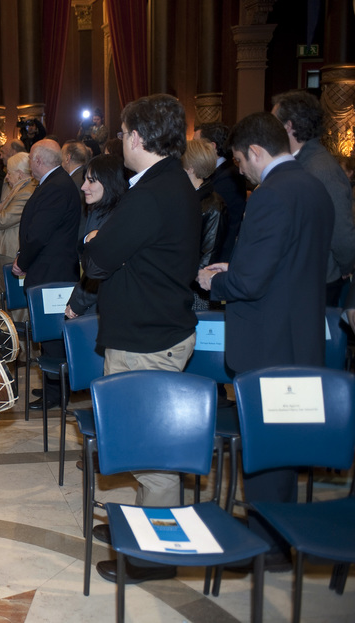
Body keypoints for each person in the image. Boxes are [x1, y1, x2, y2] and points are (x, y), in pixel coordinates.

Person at [197, 112, 333, 571]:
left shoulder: (271, 195)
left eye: (238, 161)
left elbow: (252, 282)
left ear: (255, 151)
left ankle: (265, 548)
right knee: (283, 446)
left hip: (269, 343)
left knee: (265, 449)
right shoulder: (313, 186)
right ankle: (277, 534)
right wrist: (235, 271)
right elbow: (290, 264)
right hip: (300, 334)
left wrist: (214, 282)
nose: (239, 171)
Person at [82, 94, 200, 585]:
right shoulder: (169, 182)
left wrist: (94, 244)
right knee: (141, 447)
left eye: (122, 132)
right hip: (155, 328)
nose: (119, 141)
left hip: (146, 339)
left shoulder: (152, 192)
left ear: (135, 136)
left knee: (153, 457)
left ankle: (155, 556)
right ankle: (139, 525)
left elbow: (97, 260)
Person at [12, 138, 81, 410]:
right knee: (50, 335)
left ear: (38, 160)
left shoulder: (56, 187)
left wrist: (22, 261)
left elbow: (39, 234)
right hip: (51, 272)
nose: (30, 164)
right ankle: (54, 387)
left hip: (53, 275)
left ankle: (58, 393)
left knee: (53, 336)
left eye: (30, 159)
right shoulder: (57, 183)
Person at [272, 89, 355, 306]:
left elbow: (342, 233)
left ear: (288, 126)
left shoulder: (320, 169)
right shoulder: (301, 161)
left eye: (274, 123)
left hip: (319, 280)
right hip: (304, 277)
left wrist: (345, 267)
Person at [65, 155, 127, 318]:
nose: (84, 186)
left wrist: (77, 304)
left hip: (105, 308)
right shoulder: (98, 209)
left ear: (109, 182)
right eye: (85, 179)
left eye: (91, 181)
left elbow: (99, 273)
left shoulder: (115, 217)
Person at [0, 151, 37, 317]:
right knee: (7, 299)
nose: (6, 177)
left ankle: (19, 340)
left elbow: (4, 220)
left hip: (10, 252)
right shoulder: (21, 189)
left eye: (9, 173)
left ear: (19, 174)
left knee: (16, 302)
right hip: (5, 251)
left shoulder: (26, 191)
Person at [193, 123, 247, 263]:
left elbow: (224, 226)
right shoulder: (215, 172)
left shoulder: (229, 176)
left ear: (211, 146)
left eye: (196, 143)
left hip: (221, 258)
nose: (192, 149)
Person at [181, 139, 225, 310]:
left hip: (196, 289)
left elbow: (208, 256)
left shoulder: (213, 205)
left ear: (190, 168)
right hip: (182, 283)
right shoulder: (186, 197)